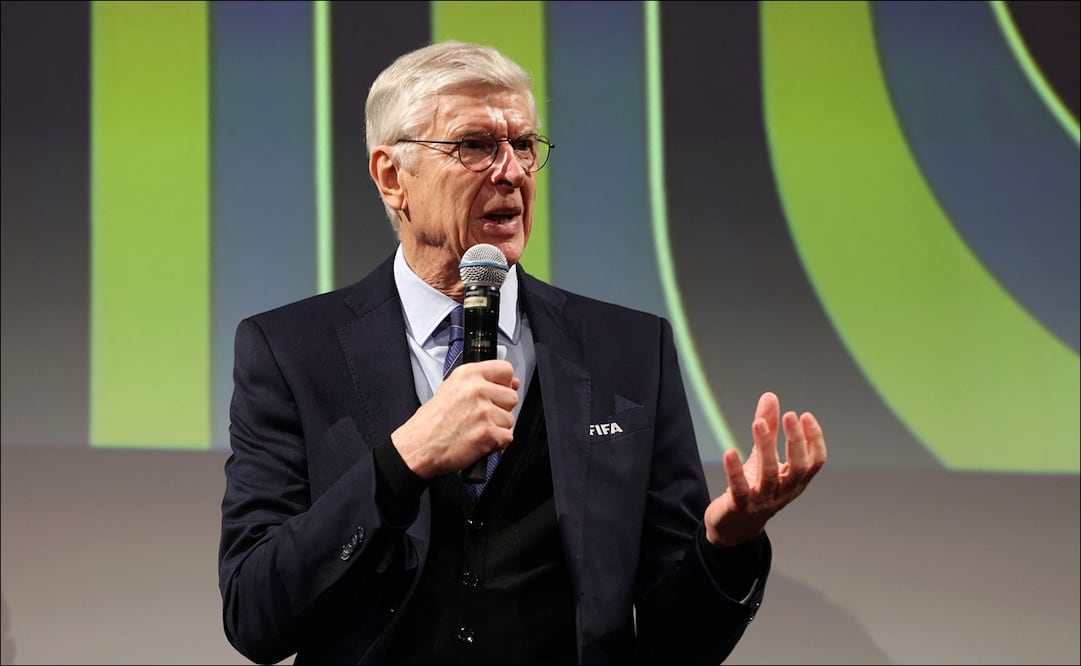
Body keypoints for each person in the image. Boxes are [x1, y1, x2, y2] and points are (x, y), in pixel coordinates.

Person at [218, 40, 826, 665]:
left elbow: (676, 645)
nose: (511, 172)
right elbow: (254, 616)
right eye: (474, 145)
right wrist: (403, 461)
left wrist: (726, 542)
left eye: (525, 145)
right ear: (392, 177)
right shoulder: (291, 352)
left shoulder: (629, 351)